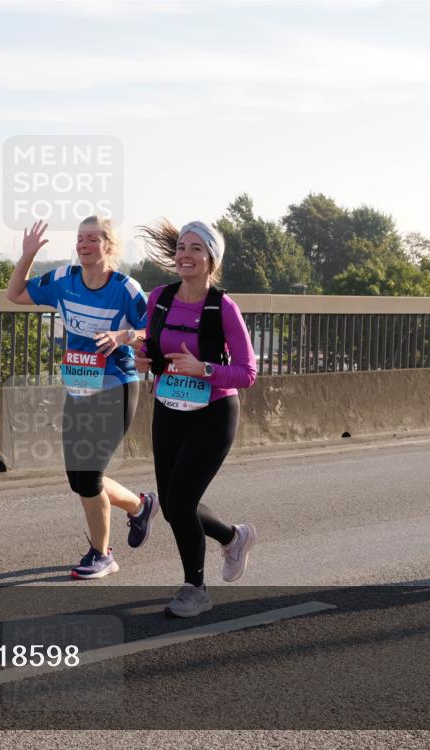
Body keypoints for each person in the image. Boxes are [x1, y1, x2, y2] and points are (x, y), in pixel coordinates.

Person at [7, 217, 159, 579]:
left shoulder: (126, 288)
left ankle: (102, 553)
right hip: (79, 387)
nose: (83, 244)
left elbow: (154, 329)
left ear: (108, 245)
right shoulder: (64, 280)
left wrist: (124, 337)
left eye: (92, 238)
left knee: (89, 474)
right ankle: (139, 506)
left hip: (117, 386)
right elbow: (15, 294)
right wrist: (26, 255)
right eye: (79, 238)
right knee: (79, 478)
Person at [135, 219, 258, 616]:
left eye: (195, 249)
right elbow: (155, 349)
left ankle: (195, 588)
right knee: (172, 506)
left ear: (210, 260)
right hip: (170, 408)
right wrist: (145, 358)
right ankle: (234, 537)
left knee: (182, 501)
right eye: (181, 248)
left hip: (214, 411)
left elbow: (247, 372)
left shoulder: (223, 307)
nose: (185, 255)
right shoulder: (160, 298)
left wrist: (202, 369)